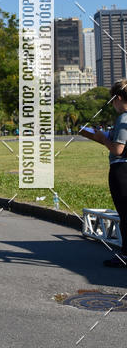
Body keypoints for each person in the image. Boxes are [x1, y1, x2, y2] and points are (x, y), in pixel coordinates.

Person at [79, 79, 127, 268]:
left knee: (124, 213)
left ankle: (125, 255)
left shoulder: (123, 118)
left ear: (118, 98)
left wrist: (101, 138)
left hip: (121, 170)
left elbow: (118, 150)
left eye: (112, 101)